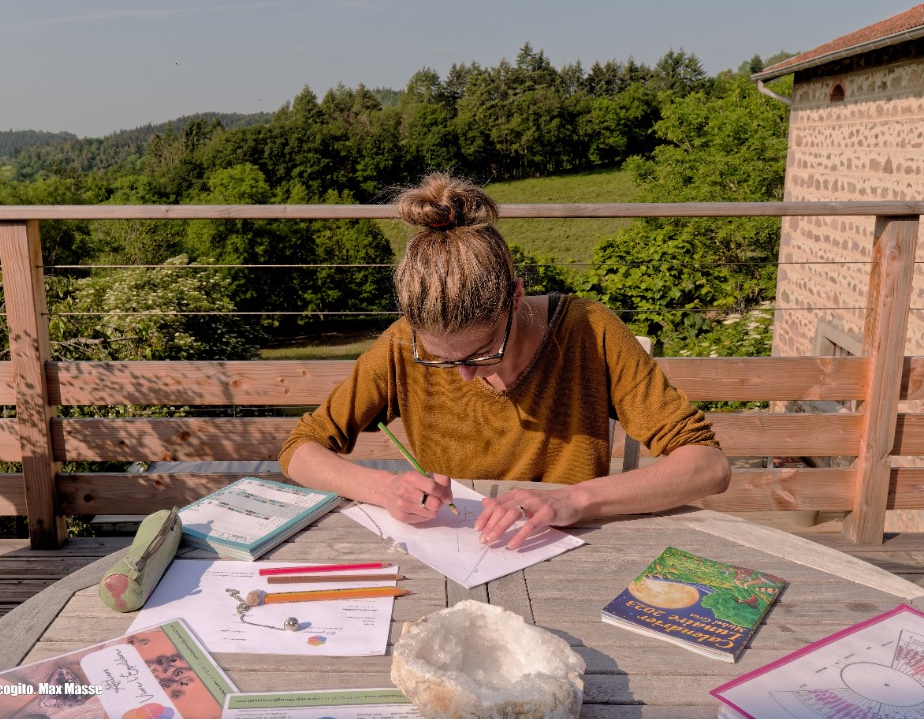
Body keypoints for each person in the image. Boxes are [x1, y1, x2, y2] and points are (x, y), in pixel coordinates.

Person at [279, 173, 730, 550]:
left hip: (567, 550)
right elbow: (300, 449)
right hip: (452, 551)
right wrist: (383, 488)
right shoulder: (401, 345)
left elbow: (708, 466)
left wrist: (574, 500)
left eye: (481, 353)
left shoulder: (588, 331)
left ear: (516, 297)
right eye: (439, 359)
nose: (463, 375)